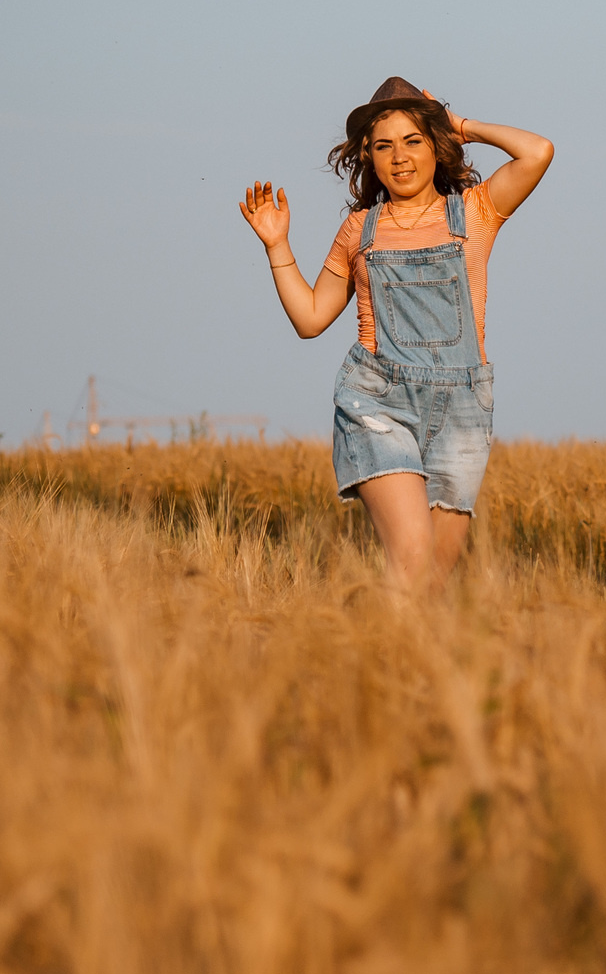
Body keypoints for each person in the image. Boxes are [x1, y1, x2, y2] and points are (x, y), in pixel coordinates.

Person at [237, 76, 553, 590]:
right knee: (410, 557)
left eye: (413, 141)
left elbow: (538, 151)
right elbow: (311, 318)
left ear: (435, 147)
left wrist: (459, 125)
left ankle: (389, 664)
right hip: (377, 403)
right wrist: (277, 244)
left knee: (430, 583)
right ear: (368, 156)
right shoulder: (358, 229)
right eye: (384, 145)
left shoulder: (475, 212)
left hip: (463, 411)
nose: (399, 157)